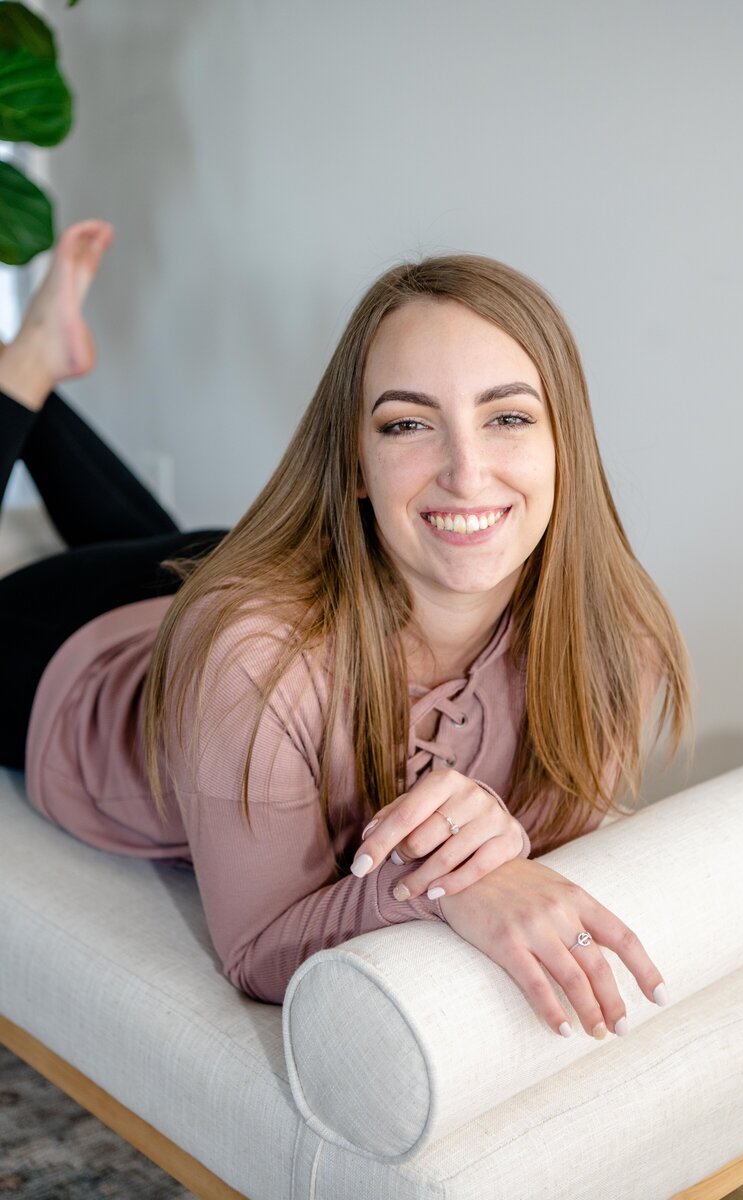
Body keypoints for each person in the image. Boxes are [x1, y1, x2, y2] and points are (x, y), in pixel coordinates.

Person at [0, 220, 691, 1043]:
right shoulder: (253, 655)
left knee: (171, 543)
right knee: (192, 582)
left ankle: (34, 367)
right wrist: (443, 883)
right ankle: (25, 369)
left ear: (563, 444)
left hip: (256, 583)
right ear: (354, 467)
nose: (467, 472)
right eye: (407, 424)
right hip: (71, 659)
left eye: (507, 418)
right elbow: (257, 951)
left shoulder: (618, 647)